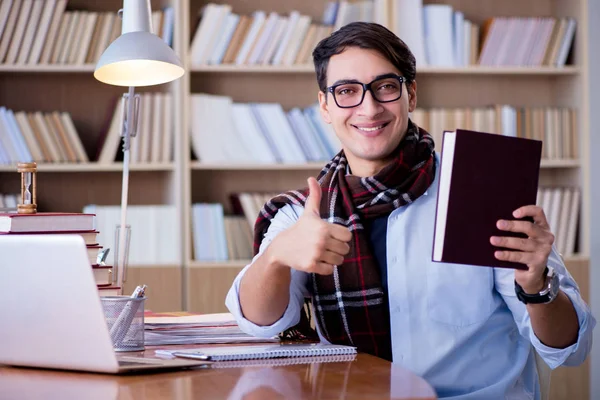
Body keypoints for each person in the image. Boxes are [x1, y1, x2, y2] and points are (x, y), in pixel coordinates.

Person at [225, 22, 595, 398]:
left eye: (385, 87)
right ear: (325, 106)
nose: (369, 108)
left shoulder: (481, 191)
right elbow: (260, 324)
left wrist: (537, 287)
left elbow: (569, 348)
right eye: (347, 91)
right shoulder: (306, 212)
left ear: (410, 95)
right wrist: (276, 257)